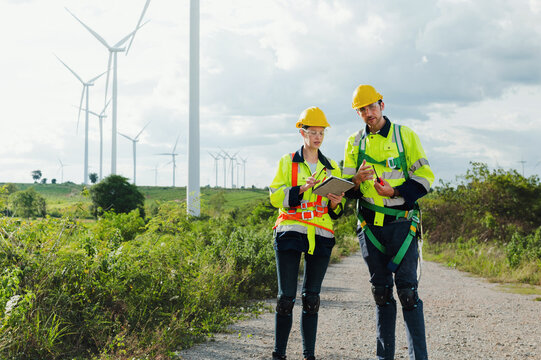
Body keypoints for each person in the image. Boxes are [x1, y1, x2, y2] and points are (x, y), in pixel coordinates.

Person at [342, 85, 434, 360]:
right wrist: (356, 180)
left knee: (407, 293)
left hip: (402, 225)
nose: (368, 113)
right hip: (370, 228)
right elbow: (345, 190)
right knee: (381, 294)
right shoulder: (354, 143)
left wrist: (394, 192)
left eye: (372, 107)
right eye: (362, 110)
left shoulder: (405, 136)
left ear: (382, 105)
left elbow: (425, 179)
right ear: (358, 113)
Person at [269, 106, 345, 360]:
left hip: (321, 234)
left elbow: (337, 209)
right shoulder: (286, 162)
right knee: (285, 298)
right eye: (313, 132)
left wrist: (336, 202)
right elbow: (275, 197)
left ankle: (308, 355)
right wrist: (301, 189)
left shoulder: (331, 165)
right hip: (291, 230)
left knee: (312, 298)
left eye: (321, 132)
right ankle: (279, 354)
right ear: (302, 132)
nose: (318, 137)